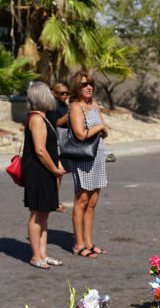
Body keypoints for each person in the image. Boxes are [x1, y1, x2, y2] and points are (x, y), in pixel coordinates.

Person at [22, 80, 66, 268]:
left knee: (44, 214)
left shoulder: (43, 117)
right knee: (37, 214)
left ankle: (43, 253)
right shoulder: (37, 119)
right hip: (39, 172)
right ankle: (35, 256)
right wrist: (54, 168)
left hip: (44, 171)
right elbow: (40, 150)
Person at [65, 70, 109, 257]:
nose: (89, 87)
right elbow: (80, 134)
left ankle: (89, 242)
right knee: (81, 200)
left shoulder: (94, 104)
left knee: (92, 202)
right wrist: (100, 127)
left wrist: (102, 129)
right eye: (84, 84)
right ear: (77, 87)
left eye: (91, 83)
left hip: (97, 156)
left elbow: (104, 132)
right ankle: (78, 244)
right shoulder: (76, 106)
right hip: (83, 157)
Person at [45, 82, 70, 211]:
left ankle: (55, 200)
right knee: (56, 174)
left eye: (67, 93)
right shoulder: (52, 107)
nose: (65, 95)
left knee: (60, 174)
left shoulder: (64, 106)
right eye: (62, 93)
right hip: (55, 143)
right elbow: (58, 123)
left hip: (64, 143)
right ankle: (53, 202)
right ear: (54, 93)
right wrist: (70, 113)